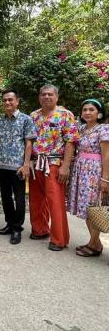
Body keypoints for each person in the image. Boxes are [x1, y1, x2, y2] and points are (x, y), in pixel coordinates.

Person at [29, 85, 79, 251]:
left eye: (50, 94)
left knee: (55, 201)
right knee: (36, 199)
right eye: (43, 94)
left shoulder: (65, 115)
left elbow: (70, 141)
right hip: (36, 162)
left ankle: (59, 239)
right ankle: (40, 229)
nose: (46, 97)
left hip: (55, 163)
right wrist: (28, 161)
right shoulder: (33, 115)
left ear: (56, 97)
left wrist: (65, 166)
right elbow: (29, 140)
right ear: (39, 97)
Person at [0, 90, 36, 244]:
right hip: (2, 165)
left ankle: (17, 228)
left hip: (18, 167)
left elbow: (29, 143)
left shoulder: (26, 119)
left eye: (10, 99)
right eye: (4, 100)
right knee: (6, 197)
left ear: (17, 101)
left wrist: (26, 164)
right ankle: (9, 224)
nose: (7, 102)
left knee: (19, 198)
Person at [67, 99, 109, 257]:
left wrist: (105, 179)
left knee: (93, 208)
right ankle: (95, 243)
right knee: (86, 208)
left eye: (91, 109)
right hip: (81, 171)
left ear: (99, 113)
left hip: (94, 172)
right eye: (84, 110)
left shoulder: (103, 129)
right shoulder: (81, 128)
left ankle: (93, 244)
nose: (87, 112)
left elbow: (106, 156)